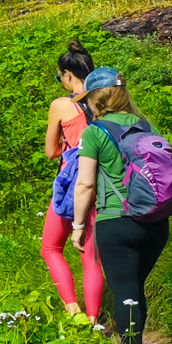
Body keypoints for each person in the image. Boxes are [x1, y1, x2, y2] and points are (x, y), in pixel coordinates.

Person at [72, 67, 168, 344]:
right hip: (155, 221)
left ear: (96, 99)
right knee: (135, 287)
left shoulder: (95, 132)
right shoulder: (146, 126)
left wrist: (78, 226)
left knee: (125, 291)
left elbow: (85, 184)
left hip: (116, 221)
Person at [42, 41, 104, 318]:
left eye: (60, 77)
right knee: (91, 259)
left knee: (51, 247)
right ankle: (94, 320)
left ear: (68, 74)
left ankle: (72, 310)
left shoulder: (61, 105)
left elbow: (50, 152)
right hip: (103, 183)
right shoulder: (104, 101)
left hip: (71, 184)